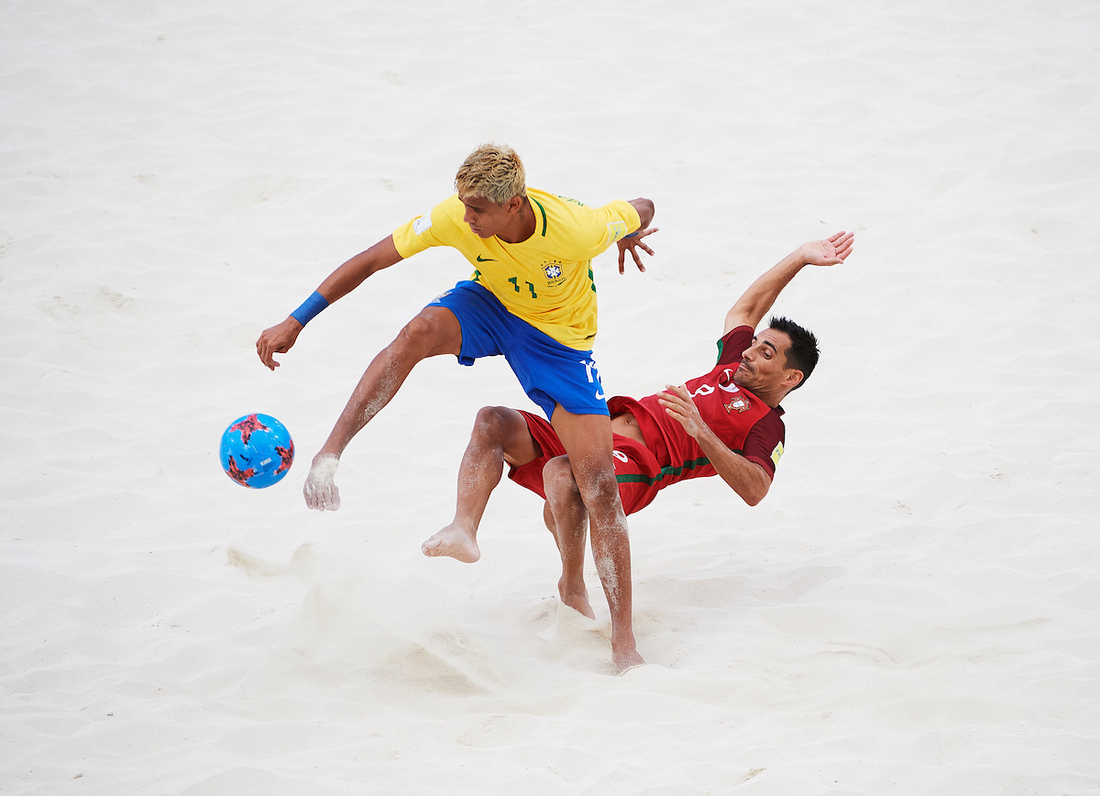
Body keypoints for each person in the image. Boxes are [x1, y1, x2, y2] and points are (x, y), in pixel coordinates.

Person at [256, 145, 656, 660]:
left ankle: (622, 639)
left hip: (561, 342)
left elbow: (642, 204)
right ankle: (330, 454)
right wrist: (297, 319)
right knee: (418, 331)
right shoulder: (458, 216)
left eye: (478, 210)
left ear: (514, 204)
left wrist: (627, 229)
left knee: (600, 485)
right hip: (492, 304)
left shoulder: (576, 229)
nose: (465, 219)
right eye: (463, 206)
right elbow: (370, 260)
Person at [421, 232, 855, 670]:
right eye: (754, 344)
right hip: (593, 429)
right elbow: (744, 308)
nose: (749, 353)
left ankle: (614, 632)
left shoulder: (766, 424)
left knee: (561, 473)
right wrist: (799, 257)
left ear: (790, 378)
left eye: (766, 353)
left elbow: (756, 489)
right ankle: (464, 526)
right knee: (493, 421)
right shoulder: (731, 364)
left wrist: (701, 431)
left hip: (641, 463)